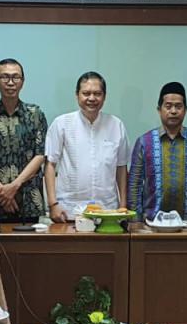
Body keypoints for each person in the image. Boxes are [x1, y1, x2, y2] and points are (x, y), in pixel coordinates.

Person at [44, 71, 130, 219]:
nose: (92, 98)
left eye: (97, 93)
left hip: (108, 211)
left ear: (104, 96)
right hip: (68, 211)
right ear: (77, 95)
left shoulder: (116, 125)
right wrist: (53, 204)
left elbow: (121, 167)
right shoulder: (62, 124)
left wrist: (123, 205)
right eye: (86, 93)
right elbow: (50, 165)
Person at [127, 82, 187, 220]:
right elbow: (134, 186)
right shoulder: (144, 141)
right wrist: (135, 220)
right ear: (159, 109)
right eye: (168, 106)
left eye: (178, 106)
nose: (173, 111)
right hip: (151, 224)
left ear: (185, 110)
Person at [0, 59, 48, 223]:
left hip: (28, 200)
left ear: (22, 81)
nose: (10, 82)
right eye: (5, 77)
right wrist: (2, 191)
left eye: (16, 77)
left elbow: (40, 155)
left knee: (28, 248)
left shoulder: (35, 113)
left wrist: (15, 186)